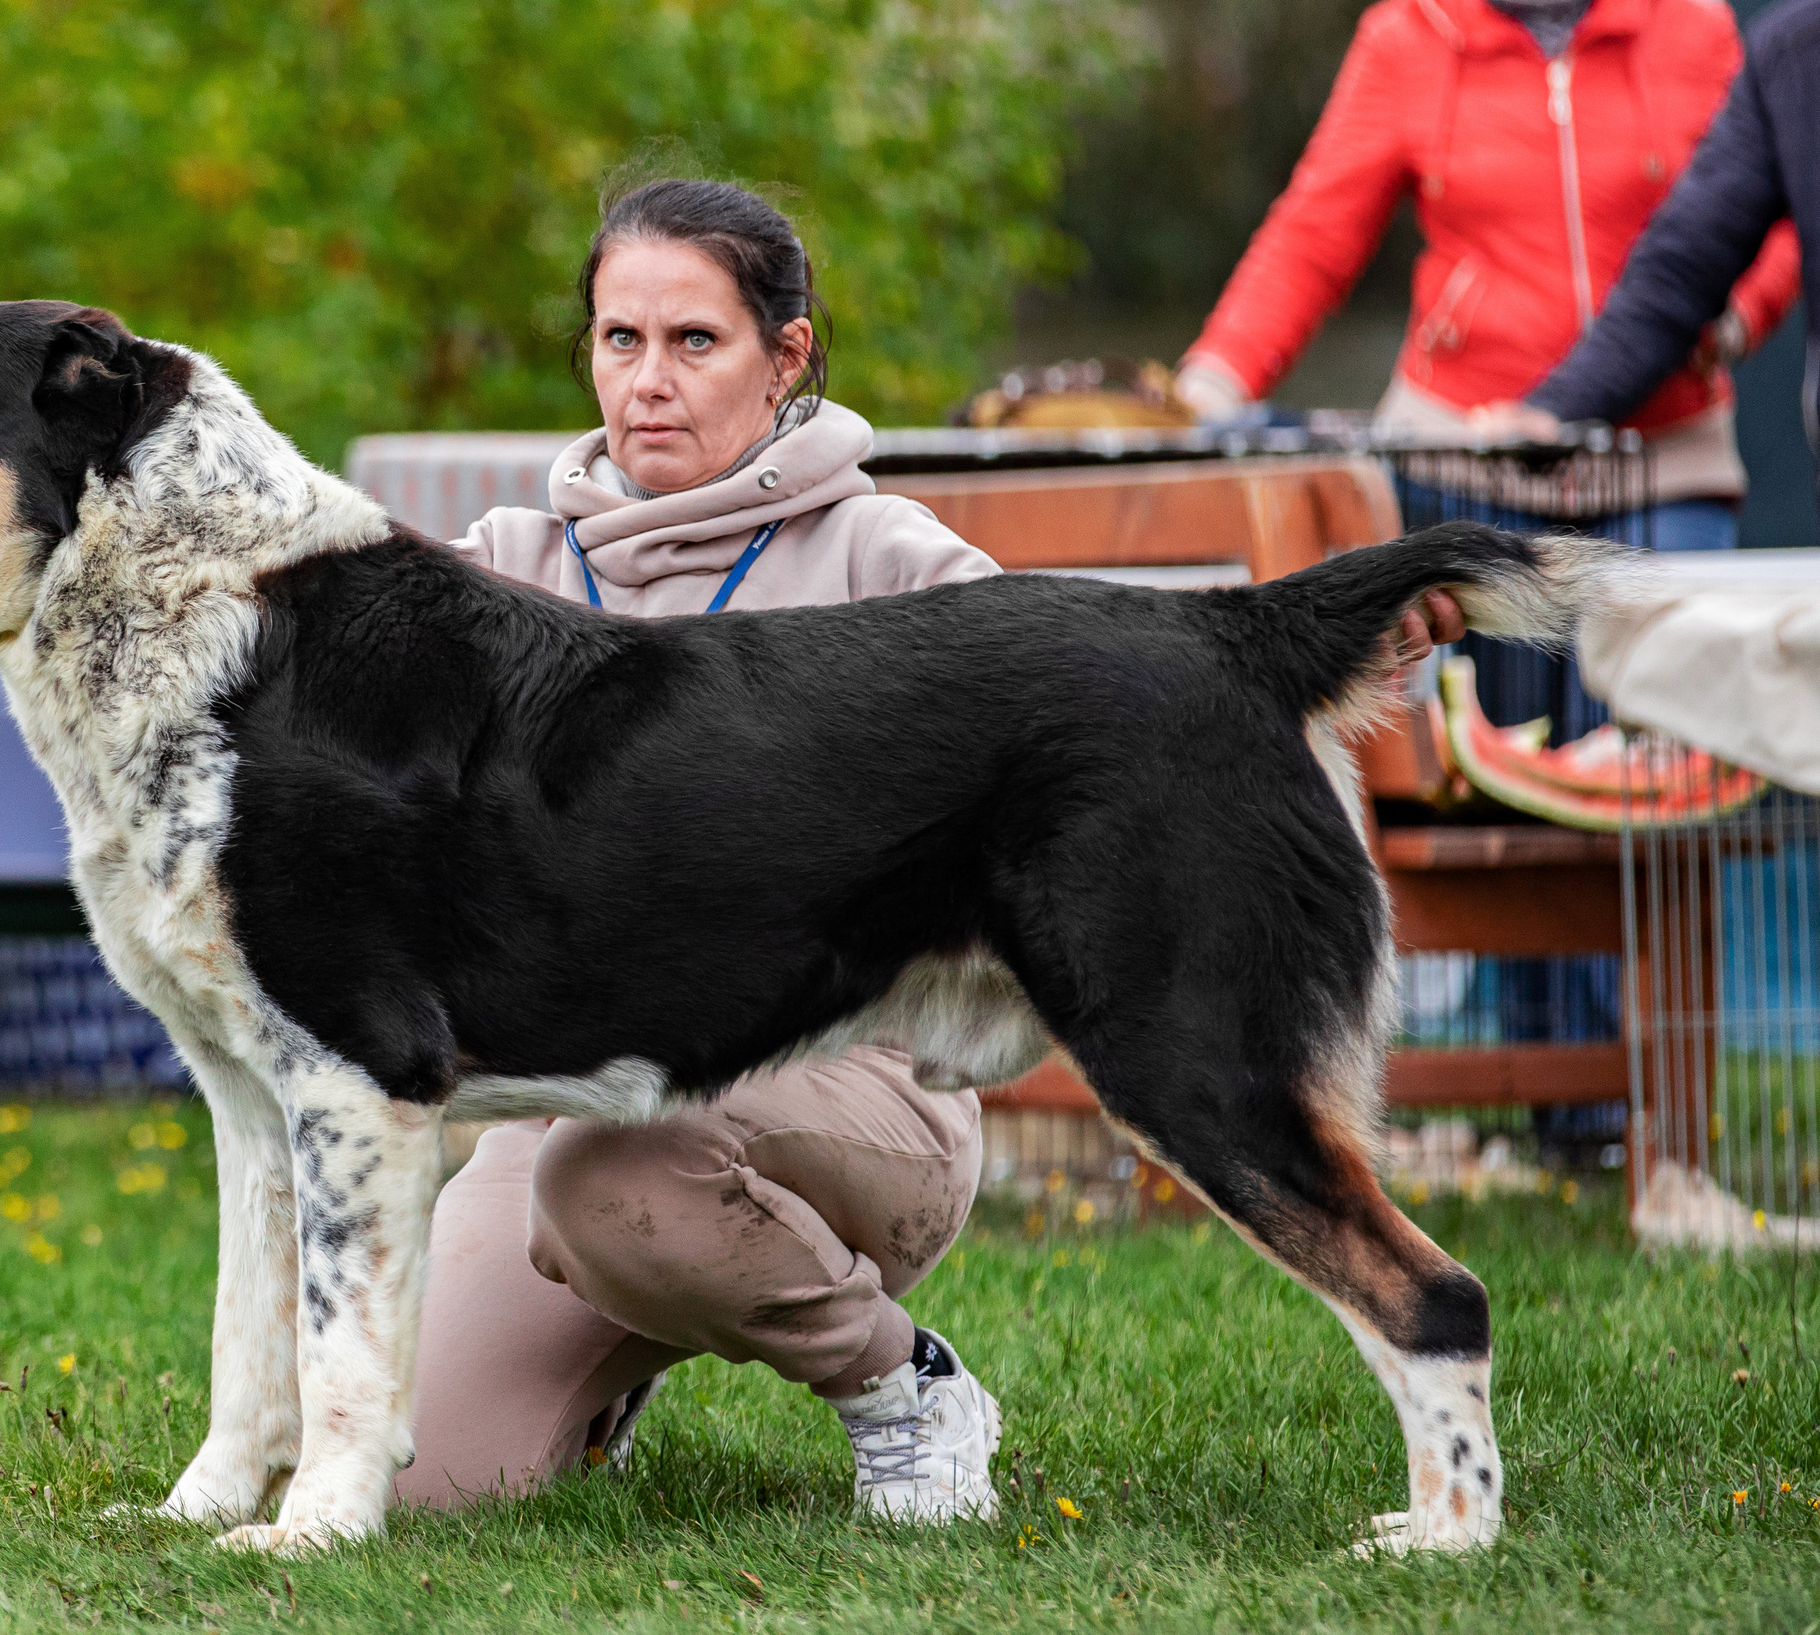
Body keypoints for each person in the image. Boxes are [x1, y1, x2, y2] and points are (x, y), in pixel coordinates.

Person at [398, 177, 1461, 1523]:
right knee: (432, 1482)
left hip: (850, 1094)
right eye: (620, 341)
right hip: (563, 1109)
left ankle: (902, 1389)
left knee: (616, 1176)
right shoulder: (501, 569)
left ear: (785, 357)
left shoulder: (886, 558)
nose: (647, 382)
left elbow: (1090, 725)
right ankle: (640, 1315)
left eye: (695, 342)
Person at [1174, 0, 1799, 723]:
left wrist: (1739, 318)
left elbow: (1776, 209)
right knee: (1486, 770)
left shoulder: (1695, 30)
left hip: (1663, 464)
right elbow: (1311, 235)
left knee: (1655, 764)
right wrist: (1211, 386)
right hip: (1465, 472)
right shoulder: (1404, 39)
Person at [1487, 0, 1820, 475]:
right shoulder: (1794, 51)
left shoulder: (1717, 32)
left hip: (1682, 461)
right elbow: (1684, 264)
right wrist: (1555, 410)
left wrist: (1747, 313)